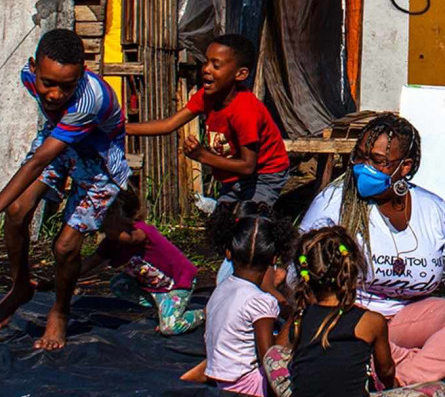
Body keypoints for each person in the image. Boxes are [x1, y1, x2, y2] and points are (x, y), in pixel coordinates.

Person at [299, 113, 445, 385]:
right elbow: (300, 267)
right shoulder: (332, 202)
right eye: (360, 157)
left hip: (407, 317)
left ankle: (397, 381)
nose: (362, 167)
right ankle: (400, 366)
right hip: (349, 318)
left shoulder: (434, 210)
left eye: (378, 162)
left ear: (404, 167)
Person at [0, 29, 131, 350]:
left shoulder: (90, 98)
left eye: (66, 86)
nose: (56, 94)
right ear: (34, 68)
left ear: (82, 75)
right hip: (59, 141)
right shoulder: (28, 77)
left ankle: (60, 310)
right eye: (49, 84)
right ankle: (20, 286)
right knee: (16, 212)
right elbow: (50, 147)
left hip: (99, 160)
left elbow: (38, 161)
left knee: (65, 247)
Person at [264, 225, 445, 397]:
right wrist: (392, 391)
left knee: (273, 355)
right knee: (440, 391)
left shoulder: (301, 317)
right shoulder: (370, 322)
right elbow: (386, 371)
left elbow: (279, 351)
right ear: (351, 272)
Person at [127, 34, 289, 209]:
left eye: (216, 65)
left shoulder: (245, 111)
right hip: (233, 172)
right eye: (206, 62)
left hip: (263, 174)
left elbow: (248, 166)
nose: (206, 69)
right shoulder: (206, 98)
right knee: (222, 223)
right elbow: (169, 125)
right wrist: (122, 128)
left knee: (250, 222)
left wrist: (202, 155)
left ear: (240, 74)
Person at [183, 203, 297, 396]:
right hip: (247, 386)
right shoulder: (260, 301)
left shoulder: (221, 289)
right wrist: (297, 315)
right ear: (274, 259)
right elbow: (270, 360)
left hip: (222, 377)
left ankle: (199, 373)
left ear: (228, 252)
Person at [79, 187, 205, 335]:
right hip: (155, 287)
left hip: (179, 282)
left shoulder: (140, 232)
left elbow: (129, 238)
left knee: (170, 328)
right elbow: (91, 261)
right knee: (119, 284)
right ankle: (162, 306)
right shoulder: (110, 243)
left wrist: (94, 222)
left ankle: (205, 313)